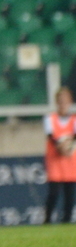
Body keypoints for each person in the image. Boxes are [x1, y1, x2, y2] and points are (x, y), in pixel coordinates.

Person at [44, 87, 76, 224]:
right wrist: (61, 146)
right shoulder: (50, 118)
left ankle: (66, 221)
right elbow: (51, 136)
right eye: (60, 101)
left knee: (70, 196)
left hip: (70, 161)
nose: (63, 104)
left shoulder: (74, 119)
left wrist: (69, 146)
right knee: (54, 193)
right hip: (55, 161)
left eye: (66, 101)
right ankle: (47, 220)